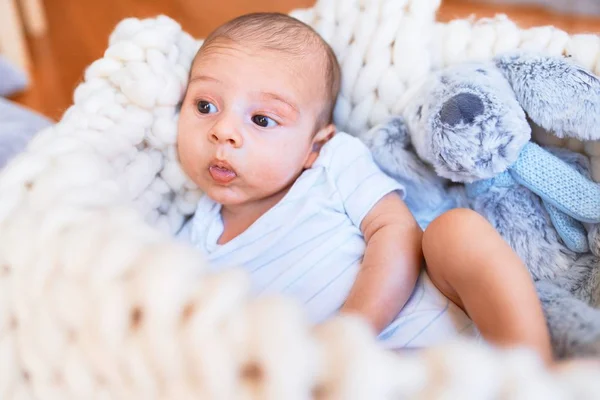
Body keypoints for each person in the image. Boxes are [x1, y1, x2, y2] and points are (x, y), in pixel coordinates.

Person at [176, 12, 552, 363]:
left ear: (315, 145)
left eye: (261, 119)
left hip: (448, 334)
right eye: (205, 106)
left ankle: (535, 370)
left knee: (454, 232)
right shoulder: (191, 244)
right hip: (342, 382)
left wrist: (352, 328)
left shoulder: (331, 165)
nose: (222, 131)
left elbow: (397, 232)